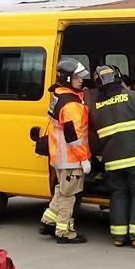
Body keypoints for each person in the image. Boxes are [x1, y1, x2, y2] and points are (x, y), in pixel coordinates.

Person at [88, 65, 135, 248]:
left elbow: (93, 140)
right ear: (118, 79)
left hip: (112, 163)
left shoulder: (96, 108)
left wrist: (102, 156)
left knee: (118, 195)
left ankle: (119, 237)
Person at [38, 59, 92, 244]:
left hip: (59, 156)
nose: (81, 80)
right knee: (69, 195)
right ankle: (64, 232)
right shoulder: (71, 105)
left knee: (62, 191)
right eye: (78, 78)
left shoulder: (59, 96)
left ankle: (47, 221)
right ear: (68, 79)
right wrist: (84, 159)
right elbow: (74, 136)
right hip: (71, 158)